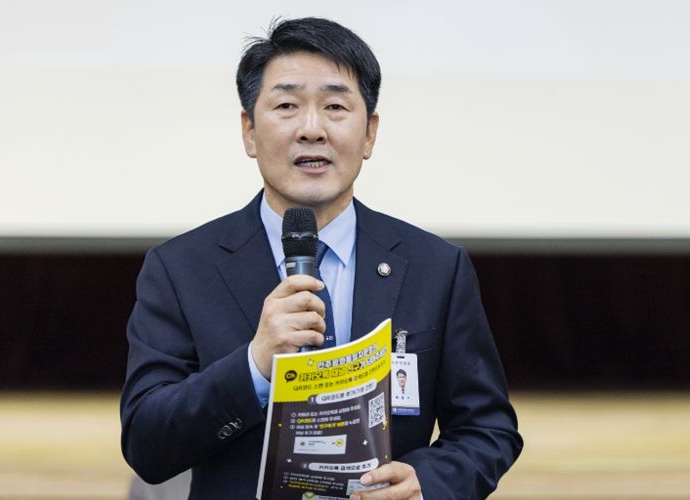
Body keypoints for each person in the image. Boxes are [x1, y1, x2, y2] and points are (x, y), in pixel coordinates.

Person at [120, 17, 522, 500]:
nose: (312, 129)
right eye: (286, 106)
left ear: (369, 133)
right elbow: (146, 443)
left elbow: (488, 429)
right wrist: (255, 364)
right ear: (249, 131)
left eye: (335, 107)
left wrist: (428, 481)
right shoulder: (181, 269)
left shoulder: (436, 267)